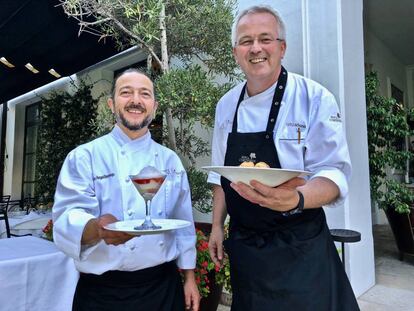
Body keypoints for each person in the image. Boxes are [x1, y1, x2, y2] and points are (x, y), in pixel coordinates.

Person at [207, 5, 359, 311]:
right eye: (246, 41)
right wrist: (215, 227)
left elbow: (334, 173)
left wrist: (296, 199)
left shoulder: (314, 97)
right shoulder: (226, 105)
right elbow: (221, 177)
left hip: (299, 245)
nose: (256, 48)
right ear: (236, 51)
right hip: (247, 246)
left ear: (282, 47)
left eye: (265, 39)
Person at [53, 68, 200, 311]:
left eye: (145, 94)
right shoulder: (84, 157)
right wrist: (98, 229)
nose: (135, 100)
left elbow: (183, 222)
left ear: (154, 106)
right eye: (126, 92)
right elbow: (67, 219)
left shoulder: (170, 161)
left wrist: (190, 278)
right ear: (111, 104)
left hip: (162, 288)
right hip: (102, 293)